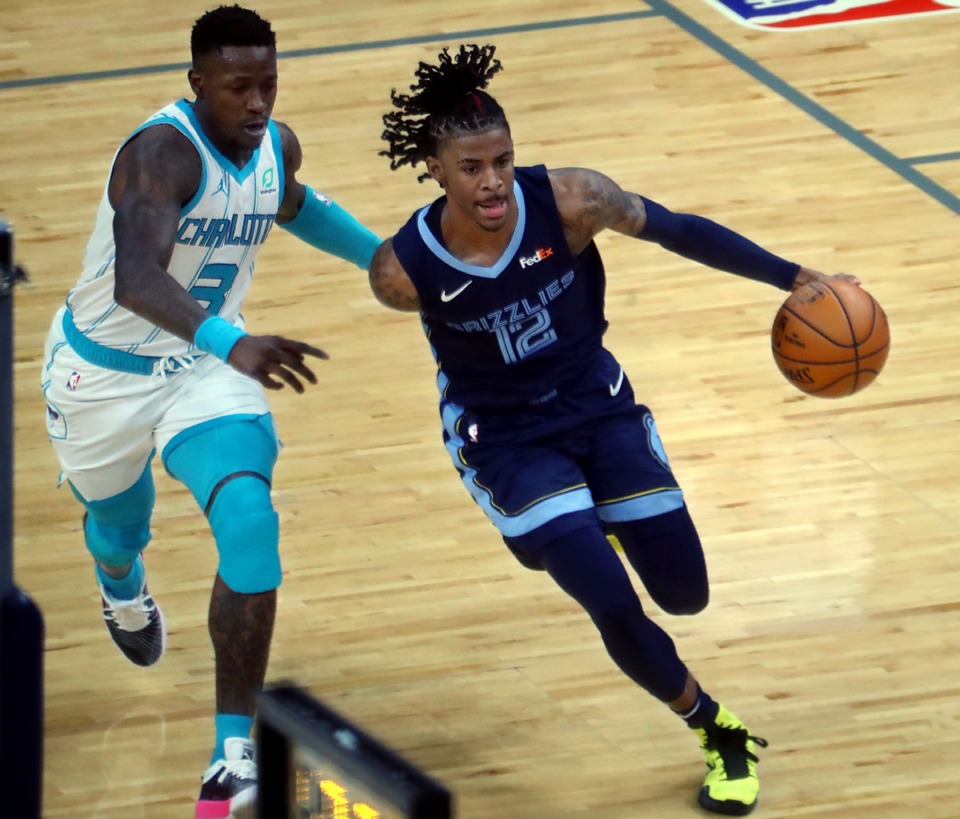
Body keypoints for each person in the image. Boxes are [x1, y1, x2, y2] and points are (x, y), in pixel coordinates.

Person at [369, 44, 860, 816]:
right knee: (607, 595)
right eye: (470, 166)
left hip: (596, 404)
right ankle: (716, 726)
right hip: (504, 438)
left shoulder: (571, 203)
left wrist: (792, 276)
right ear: (434, 166)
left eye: (501, 159)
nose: (491, 180)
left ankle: (584, 520)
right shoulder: (402, 272)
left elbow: (676, 229)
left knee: (686, 594)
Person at [39, 6, 381, 818]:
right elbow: (136, 279)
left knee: (251, 520)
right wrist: (234, 339)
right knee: (120, 526)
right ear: (198, 85)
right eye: (238, 87)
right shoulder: (161, 154)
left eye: (268, 83)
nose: (257, 102)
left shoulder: (274, 144)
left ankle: (233, 758)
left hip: (200, 368)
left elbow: (292, 202)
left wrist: (392, 260)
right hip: (104, 376)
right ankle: (119, 581)